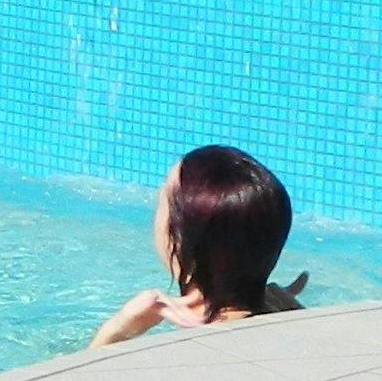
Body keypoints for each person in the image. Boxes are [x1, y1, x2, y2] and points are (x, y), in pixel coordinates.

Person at [91, 144, 308, 346]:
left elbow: (82, 377)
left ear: (179, 239)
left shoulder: (196, 347)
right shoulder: (278, 317)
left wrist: (116, 332)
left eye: (163, 199)